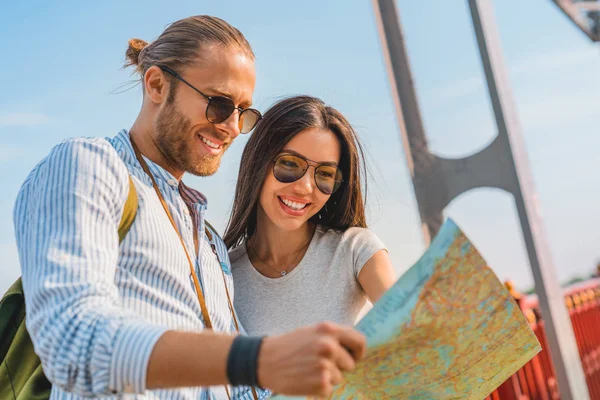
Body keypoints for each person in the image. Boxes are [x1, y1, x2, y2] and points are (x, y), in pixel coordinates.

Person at [13, 16, 365, 400]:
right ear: (157, 85)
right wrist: (259, 357)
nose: (231, 126)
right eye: (219, 104)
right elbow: (72, 343)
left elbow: (234, 388)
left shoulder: (211, 243)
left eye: (243, 112)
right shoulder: (90, 166)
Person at [225, 95, 397, 337]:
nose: (306, 187)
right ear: (258, 162)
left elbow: (413, 337)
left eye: (325, 174)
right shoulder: (223, 275)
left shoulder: (355, 250)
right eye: (290, 164)